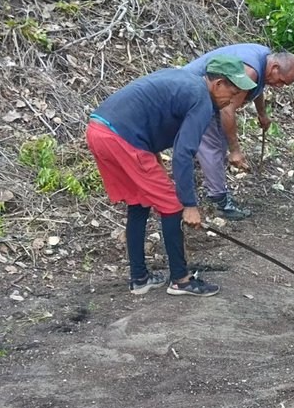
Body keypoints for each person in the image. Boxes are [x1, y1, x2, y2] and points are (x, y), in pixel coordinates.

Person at [86, 56, 256, 297]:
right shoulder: (201, 100)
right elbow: (184, 154)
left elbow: (149, 115)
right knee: (172, 205)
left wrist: (152, 157)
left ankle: (140, 279)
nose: (233, 100)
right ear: (218, 84)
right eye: (233, 92)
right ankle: (180, 280)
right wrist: (189, 205)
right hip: (121, 138)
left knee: (140, 202)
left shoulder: (186, 83)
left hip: (99, 130)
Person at [183, 45, 294, 220]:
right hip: (194, 90)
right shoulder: (251, 69)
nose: (280, 86)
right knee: (215, 142)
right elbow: (227, 110)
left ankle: (196, 173)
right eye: (282, 81)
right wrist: (235, 150)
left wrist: (262, 113)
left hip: (205, 90)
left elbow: (256, 87)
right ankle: (219, 201)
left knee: (214, 140)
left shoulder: (265, 60)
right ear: (275, 68)